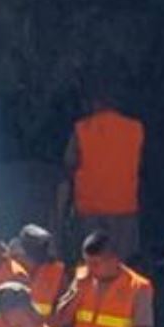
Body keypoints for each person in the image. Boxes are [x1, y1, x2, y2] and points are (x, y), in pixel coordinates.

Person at [58, 91, 145, 260]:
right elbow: (139, 164)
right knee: (122, 261)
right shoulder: (135, 128)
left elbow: (69, 164)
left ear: (95, 102)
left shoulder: (82, 129)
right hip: (124, 206)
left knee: (92, 260)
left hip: (90, 208)